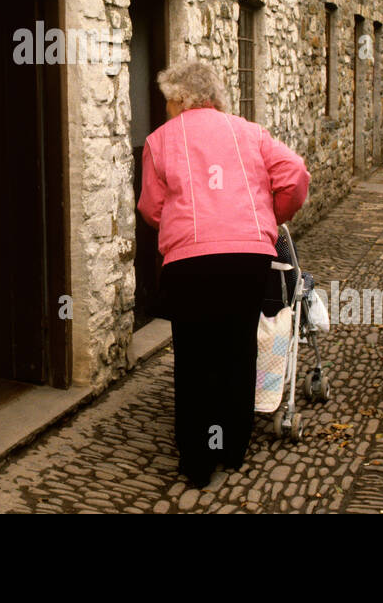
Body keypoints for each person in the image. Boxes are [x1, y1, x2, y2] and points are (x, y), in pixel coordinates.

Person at [136, 60, 310, 489]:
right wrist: (268, 219)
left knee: (195, 356)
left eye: (168, 102)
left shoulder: (158, 141)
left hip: (190, 262)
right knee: (237, 349)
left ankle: (197, 459)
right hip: (247, 258)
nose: (167, 109)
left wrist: (181, 230)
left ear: (180, 98)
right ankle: (230, 448)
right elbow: (295, 176)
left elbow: (150, 207)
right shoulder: (251, 133)